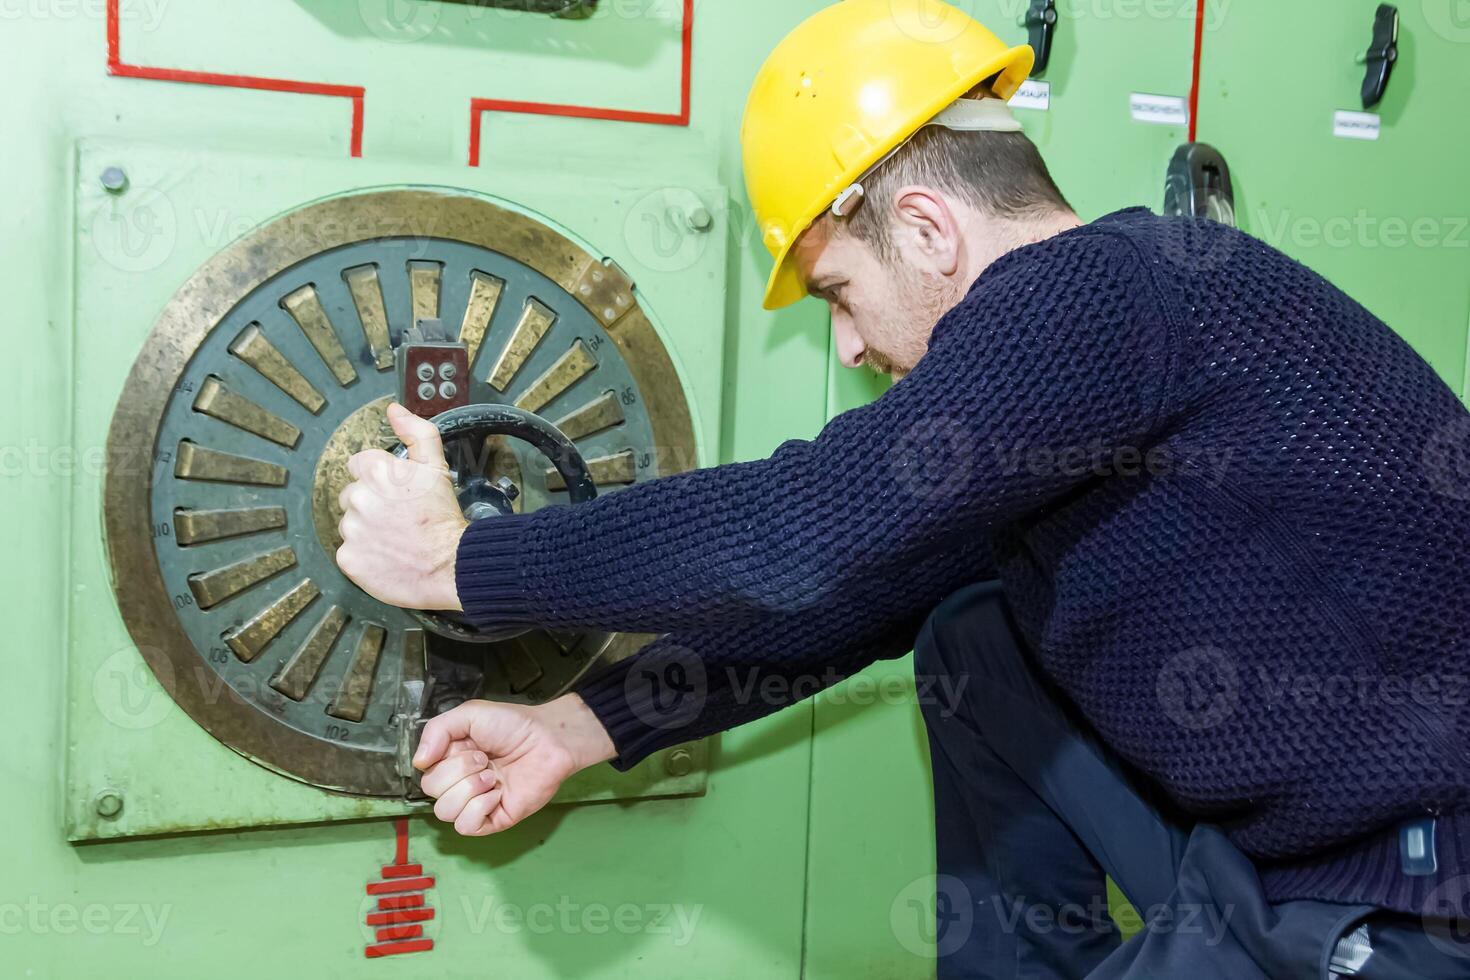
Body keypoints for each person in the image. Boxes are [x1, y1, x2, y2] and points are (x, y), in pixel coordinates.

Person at [332, 2, 1470, 976]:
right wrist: (585, 722)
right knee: (975, 632)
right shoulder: (1092, 355)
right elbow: (857, 589)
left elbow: (800, 529)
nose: (850, 343)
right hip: (1280, 847)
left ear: (926, 229)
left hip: (1415, 884)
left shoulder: (1102, 292)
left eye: (836, 288)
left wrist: (461, 561)